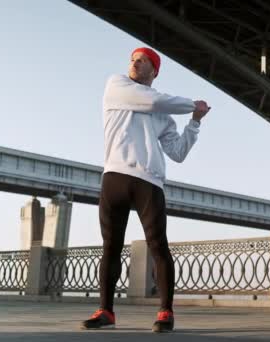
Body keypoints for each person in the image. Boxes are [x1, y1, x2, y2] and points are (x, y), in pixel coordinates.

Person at [81, 47, 210, 333]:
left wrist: (195, 123)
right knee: (110, 247)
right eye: (132, 59)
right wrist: (193, 104)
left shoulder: (164, 114)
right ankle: (106, 311)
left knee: (158, 246)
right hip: (115, 175)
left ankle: (165, 312)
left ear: (154, 71)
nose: (134, 63)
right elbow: (152, 102)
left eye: (142, 61)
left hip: (149, 181)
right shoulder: (117, 85)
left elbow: (177, 152)